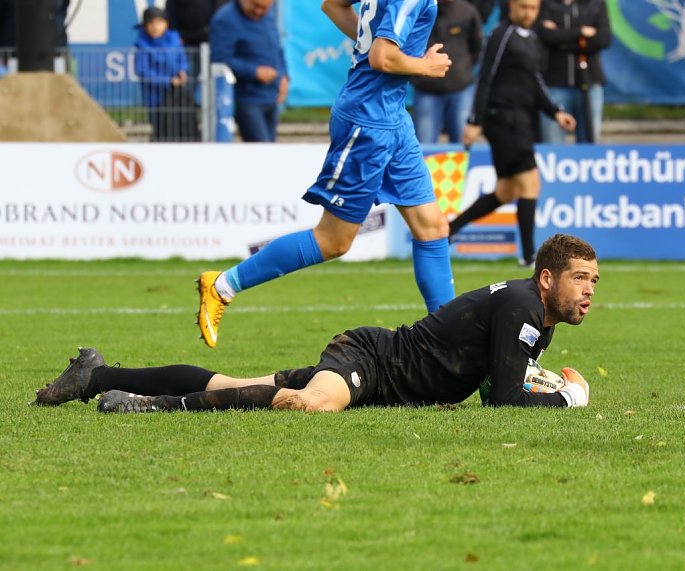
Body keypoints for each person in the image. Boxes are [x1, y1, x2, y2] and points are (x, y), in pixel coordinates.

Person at [33, 234, 597, 413]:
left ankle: (98, 378)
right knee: (312, 406)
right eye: (579, 278)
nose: (588, 291)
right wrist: (567, 399)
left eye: (594, 281)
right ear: (546, 278)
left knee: (235, 385)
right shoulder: (524, 306)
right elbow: (501, 401)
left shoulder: (534, 316)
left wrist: (536, 382)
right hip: (372, 361)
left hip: (384, 374)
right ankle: (149, 407)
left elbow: (491, 383)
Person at [196, 0, 456, 349]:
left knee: (433, 227)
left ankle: (451, 340)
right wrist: (423, 65)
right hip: (368, 122)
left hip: (392, 117)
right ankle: (222, 285)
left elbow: (333, 6)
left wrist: (380, 46)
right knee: (333, 240)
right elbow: (382, 57)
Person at [450, 0, 575, 267]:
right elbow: (486, 75)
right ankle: (529, 256)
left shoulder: (531, 38)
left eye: (533, 8)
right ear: (511, 6)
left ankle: (449, 230)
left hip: (520, 119)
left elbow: (534, 80)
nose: (528, 13)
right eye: (523, 7)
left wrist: (555, 112)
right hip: (502, 119)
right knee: (530, 183)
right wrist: (475, 120)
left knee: (506, 192)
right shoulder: (501, 34)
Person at [209, 0, 289, 142]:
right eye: (255, 6)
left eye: (264, 8)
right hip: (247, 99)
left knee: (271, 152)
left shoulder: (269, 15)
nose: (258, 11)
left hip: (271, 96)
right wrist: (254, 71)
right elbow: (220, 60)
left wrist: (284, 76)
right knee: (261, 152)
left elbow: (277, 49)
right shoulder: (225, 18)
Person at [535, 0, 611, 144]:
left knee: (590, 143)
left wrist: (561, 38)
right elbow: (545, 35)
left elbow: (603, 39)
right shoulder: (546, 3)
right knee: (551, 145)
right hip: (555, 83)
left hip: (589, 82)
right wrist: (580, 32)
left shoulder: (595, 3)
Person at [411, 0, 483, 144]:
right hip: (426, 89)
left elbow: (476, 47)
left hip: (460, 89)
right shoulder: (416, 11)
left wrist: (461, 70)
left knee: (463, 146)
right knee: (424, 147)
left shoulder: (467, 12)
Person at [134, 7, 199, 142]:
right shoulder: (141, 45)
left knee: (181, 129)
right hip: (155, 98)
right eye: (150, 23)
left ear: (166, 24)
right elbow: (143, 72)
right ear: (145, 26)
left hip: (177, 96)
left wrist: (183, 71)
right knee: (161, 132)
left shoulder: (174, 39)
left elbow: (182, 59)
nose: (155, 27)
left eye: (158, 22)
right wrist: (168, 81)